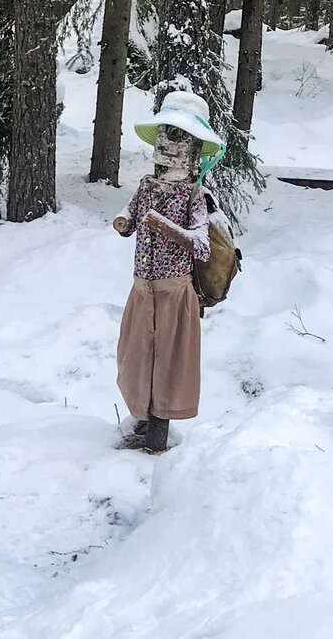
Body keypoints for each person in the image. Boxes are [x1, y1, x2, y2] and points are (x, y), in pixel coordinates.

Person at [113, 91, 224, 451]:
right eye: (164, 139)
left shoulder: (194, 195)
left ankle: (158, 436)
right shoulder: (146, 186)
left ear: (194, 153)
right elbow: (132, 214)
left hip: (174, 294)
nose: (168, 148)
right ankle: (141, 422)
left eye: (179, 141)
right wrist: (125, 221)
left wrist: (165, 226)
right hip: (142, 290)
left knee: (168, 365)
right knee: (137, 358)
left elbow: (201, 245)